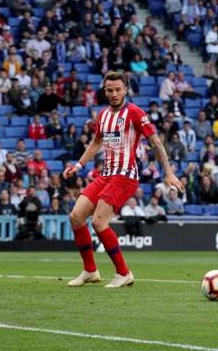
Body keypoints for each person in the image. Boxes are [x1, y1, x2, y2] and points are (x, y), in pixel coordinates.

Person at [63, 71, 184, 288]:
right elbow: (96, 143)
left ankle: (124, 273)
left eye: (118, 89)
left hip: (125, 176)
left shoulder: (135, 113)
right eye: (109, 90)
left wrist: (168, 172)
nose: (114, 94)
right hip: (106, 175)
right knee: (76, 217)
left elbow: (156, 142)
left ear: (125, 89)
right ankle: (90, 271)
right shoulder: (103, 116)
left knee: (99, 222)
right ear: (105, 91)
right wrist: (79, 165)